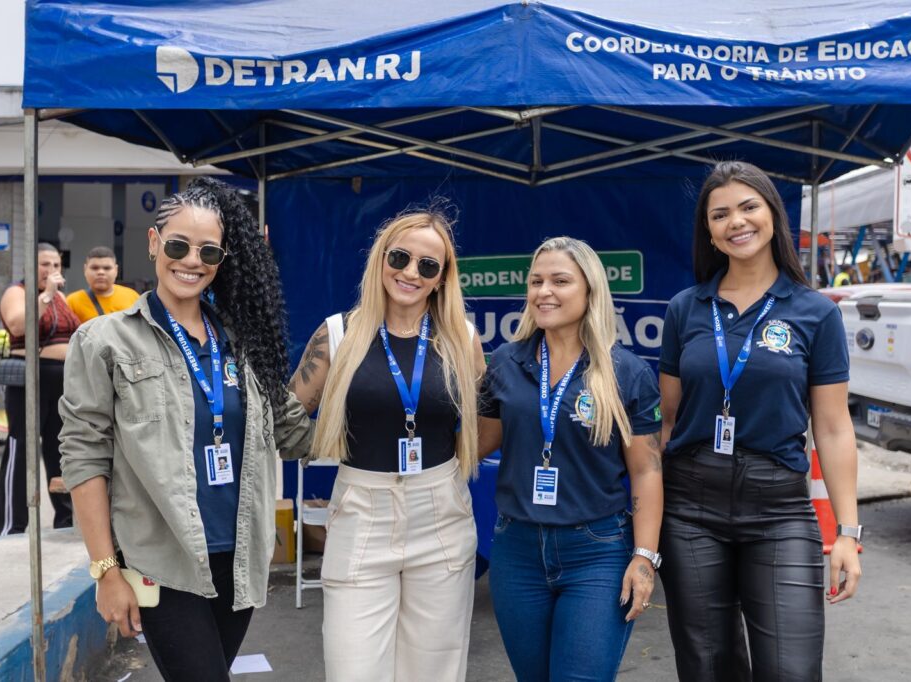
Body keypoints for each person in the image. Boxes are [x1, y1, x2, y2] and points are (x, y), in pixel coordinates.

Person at [58, 178, 312, 681]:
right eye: (179, 245)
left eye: (208, 251)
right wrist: (106, 571)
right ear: (154, 243)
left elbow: (293, 433)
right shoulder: (104, 340)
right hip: (162, 560)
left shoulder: (242, 340)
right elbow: (84, 458)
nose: (192, 261)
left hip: (239, 558)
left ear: (222, 260)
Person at [658, 161, 861, 681]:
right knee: (707, 668)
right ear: (709, 231)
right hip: (690, 509)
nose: (736, 222)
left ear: (773, 214)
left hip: (779, 509)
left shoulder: (816, 312)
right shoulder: (685, 309)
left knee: (790, 669)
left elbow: (833, 428)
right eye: (720, 214)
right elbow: (668, 420)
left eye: (748, 207)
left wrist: (847, 532)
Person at [288, 209, 484, 681]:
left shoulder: (462, 338)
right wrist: (324, 441)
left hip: (440, 510)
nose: (411, 272)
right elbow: (286, 417)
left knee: (434, 672)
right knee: (353, 669)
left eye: (428, 265)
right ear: (380, 259)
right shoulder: (338, 333)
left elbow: (485, 422)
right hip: (362, 508)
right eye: (400, 257)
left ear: (442, 278)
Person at [478, 236, 664, 681]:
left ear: (590, 290)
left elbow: (646, 470)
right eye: (536, 281)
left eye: (560, 281)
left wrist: (644, 557)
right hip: (517, 550)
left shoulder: (626, 372)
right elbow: (475, 444)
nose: (544, 291)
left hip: (596, 551)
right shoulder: (505, 363)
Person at [0, 242, 78, 535]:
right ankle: (11, 524)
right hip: (30, 378)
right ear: (30, 266)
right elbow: (18, 326)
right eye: (44, 264)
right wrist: (46, 295)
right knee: (22, 448)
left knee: (60, 447)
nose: (51, 270)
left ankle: (66, 518)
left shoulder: (62, 297)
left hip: (62, 380)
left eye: (56, 265)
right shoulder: (17, 292)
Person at [66, 246, 141, 321]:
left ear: (116, 270)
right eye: (95, 268)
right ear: (85, 269)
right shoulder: (72, 302)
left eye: (107, 268)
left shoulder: (132, 297)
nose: (101, 272)